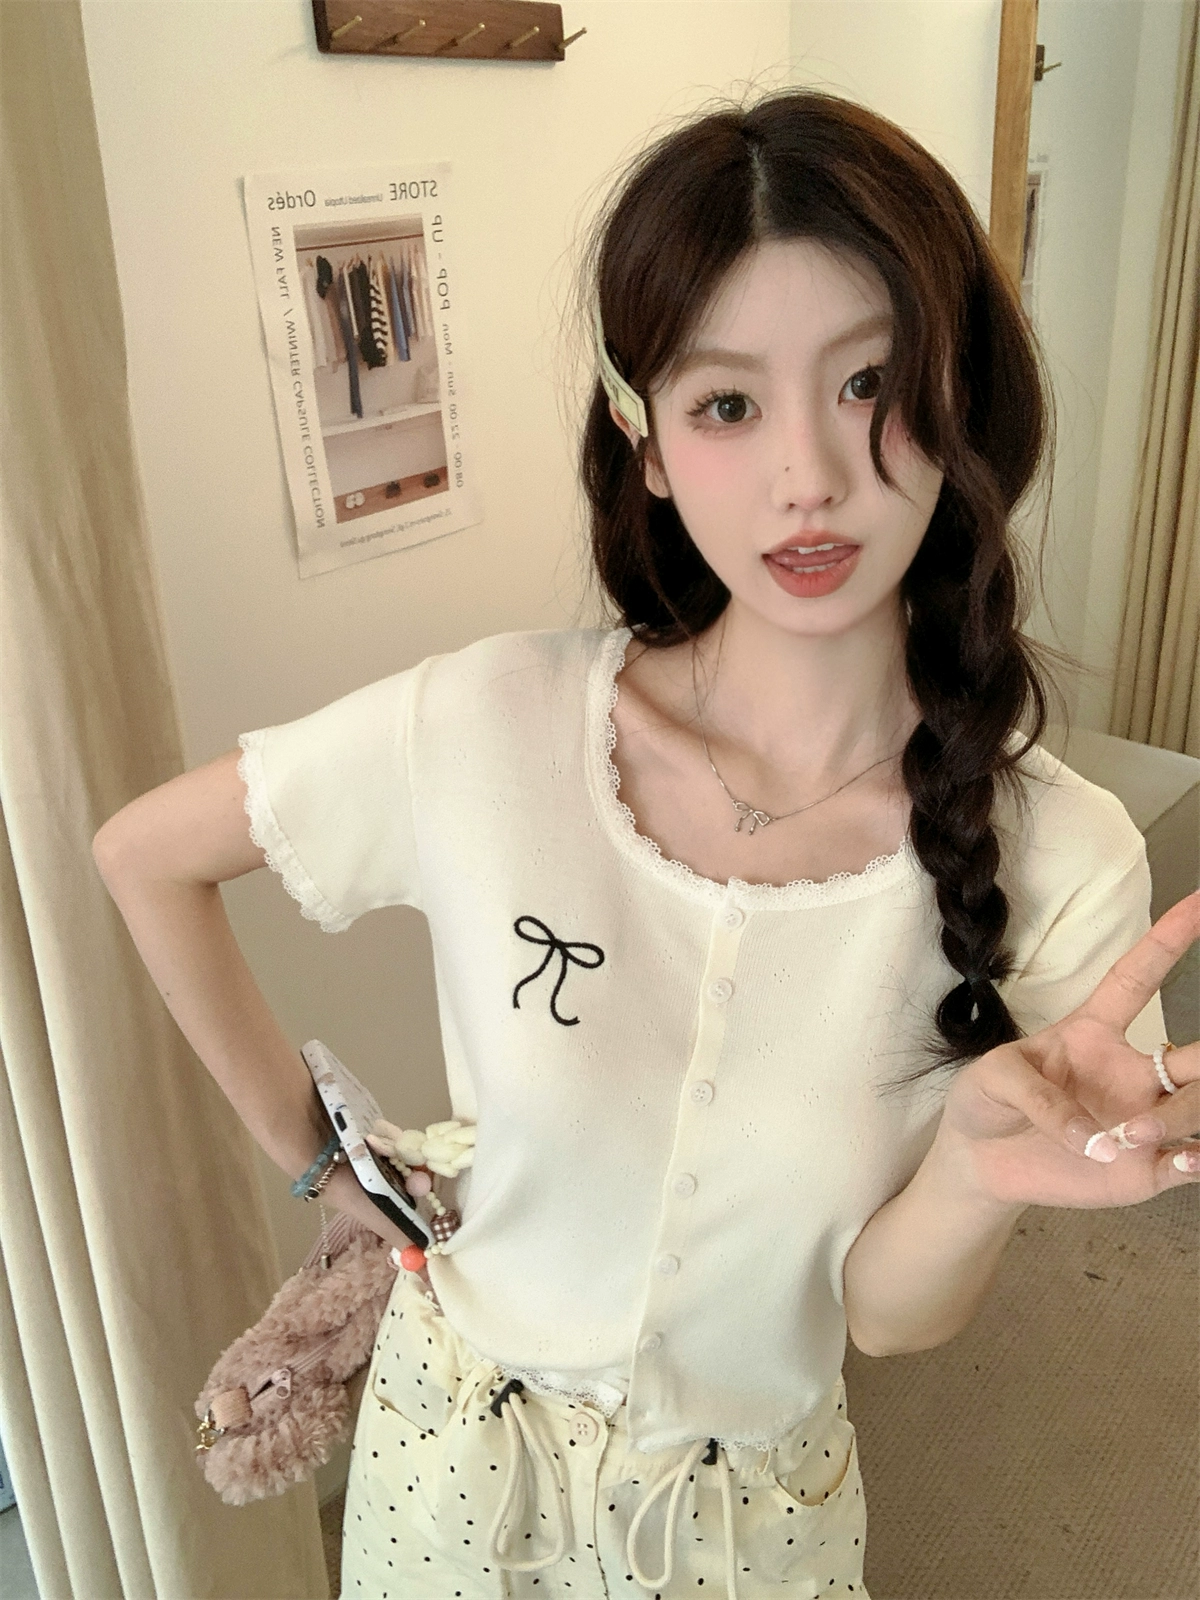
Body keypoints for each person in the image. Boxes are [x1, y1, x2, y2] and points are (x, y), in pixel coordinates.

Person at [93, 90, 1199, 1600]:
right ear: (648, 438)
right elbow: (145, 856)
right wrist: (319, 1164)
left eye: (870, 382)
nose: (807, 474)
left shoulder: (1064, 857)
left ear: (961, 393)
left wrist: (971, 1175)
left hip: (748, 1527)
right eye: (727, 404)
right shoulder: (489, 722)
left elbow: (889, 1321)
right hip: (442, 1471)